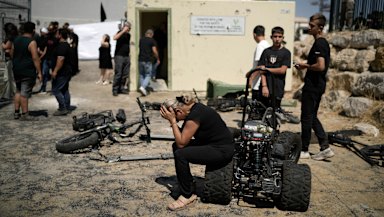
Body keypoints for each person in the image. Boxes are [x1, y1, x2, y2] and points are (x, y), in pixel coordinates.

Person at [160, 93, 234, 211]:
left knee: (180, 153)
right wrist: (173, 121)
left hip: (221, 150)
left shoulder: (195, 116)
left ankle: (187, 195)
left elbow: (181, 143)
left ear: (178, 111)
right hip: (212, 144)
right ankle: (188, 184)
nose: (178, 121)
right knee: (177, 148)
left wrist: (173, 121)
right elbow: (181, 138)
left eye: (177, 117)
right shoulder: (194, 109)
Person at [295, 13, 334, 161]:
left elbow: (320, 66)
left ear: (320, 28)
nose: (309, 28)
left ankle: (304, 150)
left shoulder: (320, 43)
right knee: (311, 116)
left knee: (306, 117)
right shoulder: (321, 43)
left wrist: (305, 65)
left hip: (313, 86)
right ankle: (325, 147)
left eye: (312, 26)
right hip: (317, 85)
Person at [11, 21, 42, 120]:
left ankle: (16, 112)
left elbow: (12, 53)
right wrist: (40, 72)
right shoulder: (32, 42)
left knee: (18, 91)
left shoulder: (16, 40)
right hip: (27, 70)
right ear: (33, 30)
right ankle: (25, 114)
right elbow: (35, 58)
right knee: (24, 93)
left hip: (16, 69)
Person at [257, 26, 291, 109]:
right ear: (271, 37)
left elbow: (282, 70)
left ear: (283, 38)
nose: (277, 39)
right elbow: (261, 71)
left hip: (278, 88)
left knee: (275, 113)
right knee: (263, 112)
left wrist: (266, 69)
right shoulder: (266, 52)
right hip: (266, 87)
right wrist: (264, 86)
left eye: (280, 37)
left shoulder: (286, 52)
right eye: (275, 36)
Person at [50, 28, 75, 116]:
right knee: (64, 89)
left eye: (57, 33)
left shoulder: (62, 46)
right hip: (66, 72)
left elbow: (60, 59)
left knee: (56, 90)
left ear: (60, 35)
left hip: (62, 72)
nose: (55, 35)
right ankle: (66, 106)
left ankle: (62, 108)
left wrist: (55, 71)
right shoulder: (65, 45)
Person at [246, 25, 270, 101]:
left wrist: (251, 78)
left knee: (256, 110)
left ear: (254, 34)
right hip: (266, 82)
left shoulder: (260, 46)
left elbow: (260, 66)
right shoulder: (267, 45)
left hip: (258, 84)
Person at [138, 29, 160, 96]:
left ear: (146, 34)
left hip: (140, 60)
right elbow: (154, 51)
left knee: (141, 75)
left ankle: (143, 89)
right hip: (148, 60)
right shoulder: (152, 41)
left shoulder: (141, 40)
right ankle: (143, 87)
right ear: (152, 34)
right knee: (148, 75)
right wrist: (157, 58)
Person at [112, 21, 131, 96]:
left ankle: (121, 88)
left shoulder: (128, 35)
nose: (128, 29)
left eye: (129, 27)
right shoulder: (119, 32)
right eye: (127, 27)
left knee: (125, 74)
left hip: (126, 56)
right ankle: (115, 89)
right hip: (119, 56)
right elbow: (114, 38)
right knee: (118, 73)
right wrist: (123, 30)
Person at [1, 22, 18, 100]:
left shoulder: (10, 38)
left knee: (9, 78)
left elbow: (6, 47)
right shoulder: (13, 37)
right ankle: (9, 94)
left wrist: (2, 44)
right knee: (8, 78)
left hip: (10, 60)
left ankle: (11, 94)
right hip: (10, 60)